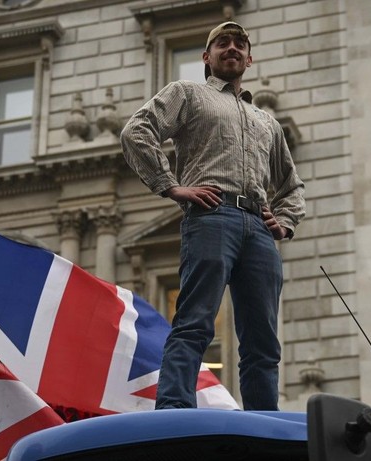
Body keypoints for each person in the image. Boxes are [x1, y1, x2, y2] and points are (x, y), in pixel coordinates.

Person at [120, 21, 305, 411]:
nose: (232, 48)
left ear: (249, 58)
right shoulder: (187, 94)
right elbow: (137, 131)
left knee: (263, 340)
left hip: (259, 229)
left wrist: (284, 222)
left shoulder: (266, 121)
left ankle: (262, 420)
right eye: (222, 43)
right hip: (211, 216)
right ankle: (174, 408)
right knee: (196, 320)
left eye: (240, 44)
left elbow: (291, 185)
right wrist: (171, 186)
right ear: (207, 57)